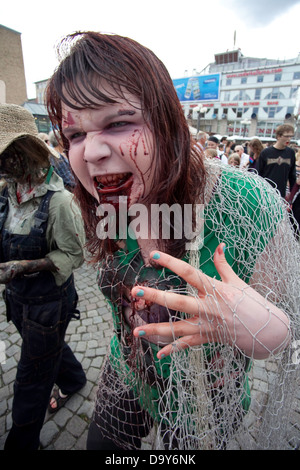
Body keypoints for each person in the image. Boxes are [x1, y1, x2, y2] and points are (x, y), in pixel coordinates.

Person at [46, 31, 299, 451]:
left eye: (118, 122)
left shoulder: (248, 204)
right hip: (128, 372)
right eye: (73, 136)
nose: (90, 152)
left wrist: (269, 333)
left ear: (167, 121)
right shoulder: (104, 204)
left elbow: (288, 324)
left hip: (206, 399)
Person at [0, 103, 87, 450]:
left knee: (31, 379)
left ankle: (21, 443)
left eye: (5, 155)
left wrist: (24, 267)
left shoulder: (60, 202)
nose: (0, 164)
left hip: (50, 304)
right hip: (19, 302)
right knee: (46, 350)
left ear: (24, 152)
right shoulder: (5, 195)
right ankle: (73, 377)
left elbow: (73, 255)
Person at [258, 124, 296, 197]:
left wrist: (292, 193)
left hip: (281, 194)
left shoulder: (290, 153)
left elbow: (292, 175)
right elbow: (258, 174)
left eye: (291, 136)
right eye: (287, 136)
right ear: (278, 136)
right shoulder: (266, 153)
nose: (289, 139)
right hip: (265, 193)